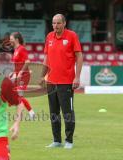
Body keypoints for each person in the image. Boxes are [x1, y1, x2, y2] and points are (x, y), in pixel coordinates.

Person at [40, 14, 83, 149]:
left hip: (66, 82)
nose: (56, 26)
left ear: (64, 23)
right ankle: (57, 140)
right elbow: (46, 58)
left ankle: (69, 141)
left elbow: (79, 56)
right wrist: (42, 76)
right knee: (54, 113)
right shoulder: (49, 37)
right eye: (53, 23)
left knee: (67, 112)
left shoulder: (72, 36)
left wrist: (77, 77)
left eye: (58, 23)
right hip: (51, 82)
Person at [9, 32, 35, 118]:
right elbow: (17, 64)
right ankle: (25, 111)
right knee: (13, 93)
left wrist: (21, 72)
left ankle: (30, 112)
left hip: (24, 76)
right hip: (18, 75)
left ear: (16, 40)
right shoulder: (16, 50)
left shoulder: (21, 49)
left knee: (19, 95)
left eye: (11, 39)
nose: (10, 41)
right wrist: (14, 72)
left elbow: (27, 62)